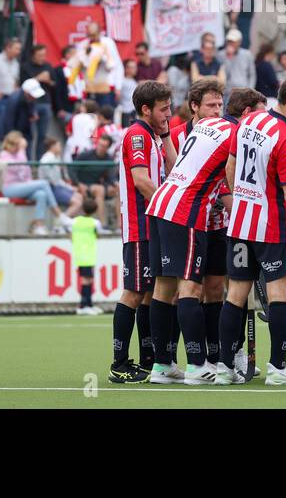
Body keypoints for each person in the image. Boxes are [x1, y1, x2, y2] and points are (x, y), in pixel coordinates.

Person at [145, 82, 266, 386]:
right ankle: (197, 365)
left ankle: (162, 366)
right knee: (190, 291)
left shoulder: (205, 126)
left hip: (161, 204)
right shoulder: (237, 133)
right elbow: (232, 176)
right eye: (261, 117)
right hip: (185, 211)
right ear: (248, 113)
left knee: (163, 289)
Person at [214, 75, 286, 386]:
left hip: (239, 224)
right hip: (271, 228)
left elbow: (230, 166)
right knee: (280, 295)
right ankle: (277, 368)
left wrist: (242, 198)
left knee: (235, 295)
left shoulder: (248, 122)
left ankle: (224, 367)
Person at [108, 81, 175, 385]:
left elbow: (174, 169)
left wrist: (166, 133)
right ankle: (119, 363)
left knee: (148, 294)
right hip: (140, 226)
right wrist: (170, 206)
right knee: (134, 293)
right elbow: (141, 181)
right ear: (145, 109)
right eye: (163, 109)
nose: (169, 113)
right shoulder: (137, 135)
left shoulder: (153, 135)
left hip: (152, 225)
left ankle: (149, 360)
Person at [1, 130, 65, 234]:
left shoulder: (18, 155)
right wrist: (22, 150)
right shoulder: (4, 155)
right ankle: (59, 215)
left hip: (21, 186)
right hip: (9, 188)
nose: (17, 148)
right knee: (43, 183)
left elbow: (26, 174)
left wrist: (21, 153)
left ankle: (38, 225)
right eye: (16, 145)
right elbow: (19, 170)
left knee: (41, 194)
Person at [72, 198, 103, 315]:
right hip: (88, 254)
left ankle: (89, 304)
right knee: (86, 280)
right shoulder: (95, 223)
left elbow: (67, 226)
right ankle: (83, 305)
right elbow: (98, 234)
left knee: (88, 279)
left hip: (80, 253)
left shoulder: (75, 221)